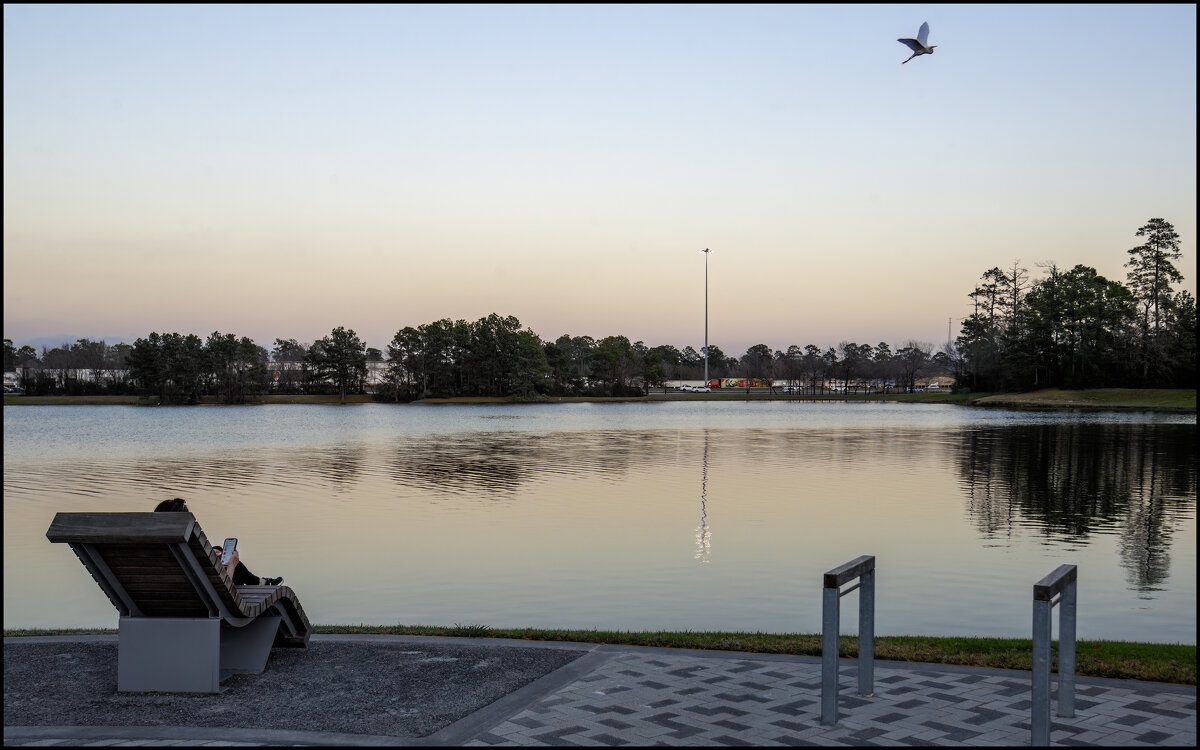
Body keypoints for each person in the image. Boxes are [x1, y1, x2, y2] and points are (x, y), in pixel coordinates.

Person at [153, 498, 283, 586]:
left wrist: (206, 555)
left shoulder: (149, 548)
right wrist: (232, 565)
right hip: (198, 601)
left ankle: (258, 582)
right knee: (227, 558)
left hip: (152, 600)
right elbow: (225, 591)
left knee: (217, 550)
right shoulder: (184, 550)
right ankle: (258, 582)